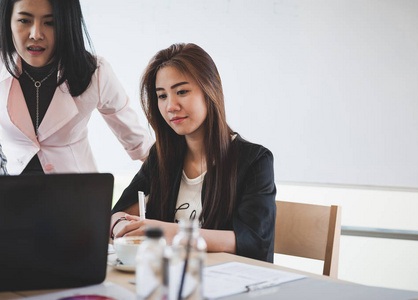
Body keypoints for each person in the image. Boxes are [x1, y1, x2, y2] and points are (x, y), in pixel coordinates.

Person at [110, 43, 276, 262]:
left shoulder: (254, 161)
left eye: (182, 92)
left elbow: (253, 241)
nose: (170, 106)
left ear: (210, 90)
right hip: (169, 281)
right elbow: (118, 214)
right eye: (162, 96)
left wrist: (166, 232)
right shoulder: (160, 159)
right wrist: (121, 226)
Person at [0, 0, 153, 175]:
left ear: (67, 23)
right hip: (11, 194)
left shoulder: (95, 72)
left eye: (50, 22)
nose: (36, 34)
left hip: (77, 192)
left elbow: (140, 144)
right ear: (8, 21)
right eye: (24, 21)